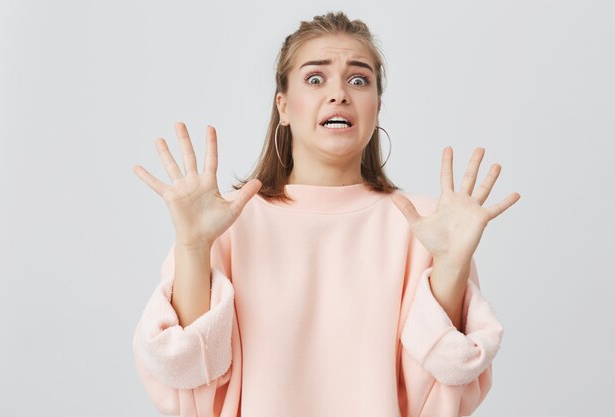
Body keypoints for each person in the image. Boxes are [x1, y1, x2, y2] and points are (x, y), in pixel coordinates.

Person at [131, 11, 520, 417]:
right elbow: (187, 376)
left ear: (377, 106)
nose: (339, 94)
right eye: (316, 79)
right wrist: (193, 247)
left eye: (359, 79)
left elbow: (440, 388)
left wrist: (452, 267)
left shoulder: (424, 224)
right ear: (283, 106)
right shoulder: (228, 219)